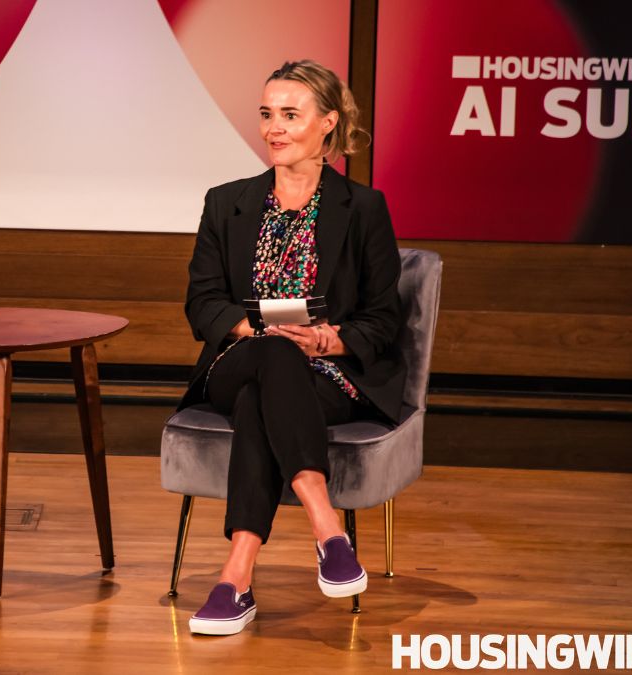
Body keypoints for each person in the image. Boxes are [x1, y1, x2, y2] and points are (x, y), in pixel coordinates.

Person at [180, 60, 405, 636]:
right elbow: (203, 303)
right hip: (237, 360)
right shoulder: (226, 202)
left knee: (261, 401)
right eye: (266, 114)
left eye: (289, 115)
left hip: (325, 375)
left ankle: (235, 578)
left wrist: (330, 338)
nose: (273, 128)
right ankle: (327, 528)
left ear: (327, 123)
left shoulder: (364, 208)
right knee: (273, 355)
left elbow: (384, 318)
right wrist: (257, 332)